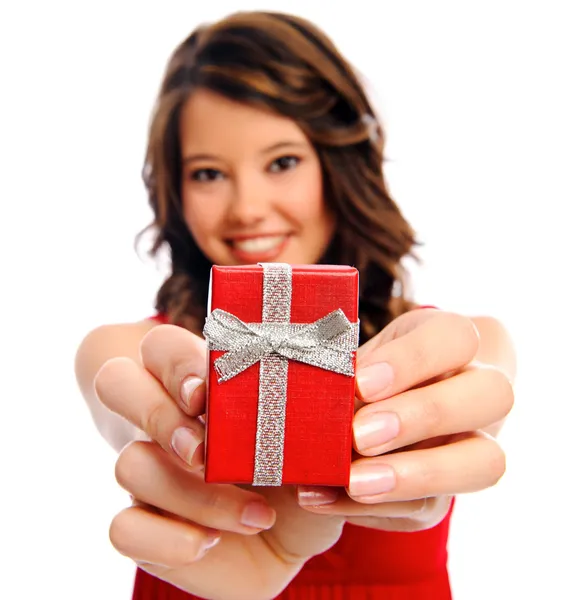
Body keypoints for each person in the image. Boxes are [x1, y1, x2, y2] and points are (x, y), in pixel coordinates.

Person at [74, 10, 516, 600]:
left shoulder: (464, 344)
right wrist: (184, 434)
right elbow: (126, 410)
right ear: (174, 194)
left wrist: (435, 433)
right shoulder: (128, 352)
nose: (247, 209)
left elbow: (479, 410)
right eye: (208, 173)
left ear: (340, 164)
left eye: (282, 162)